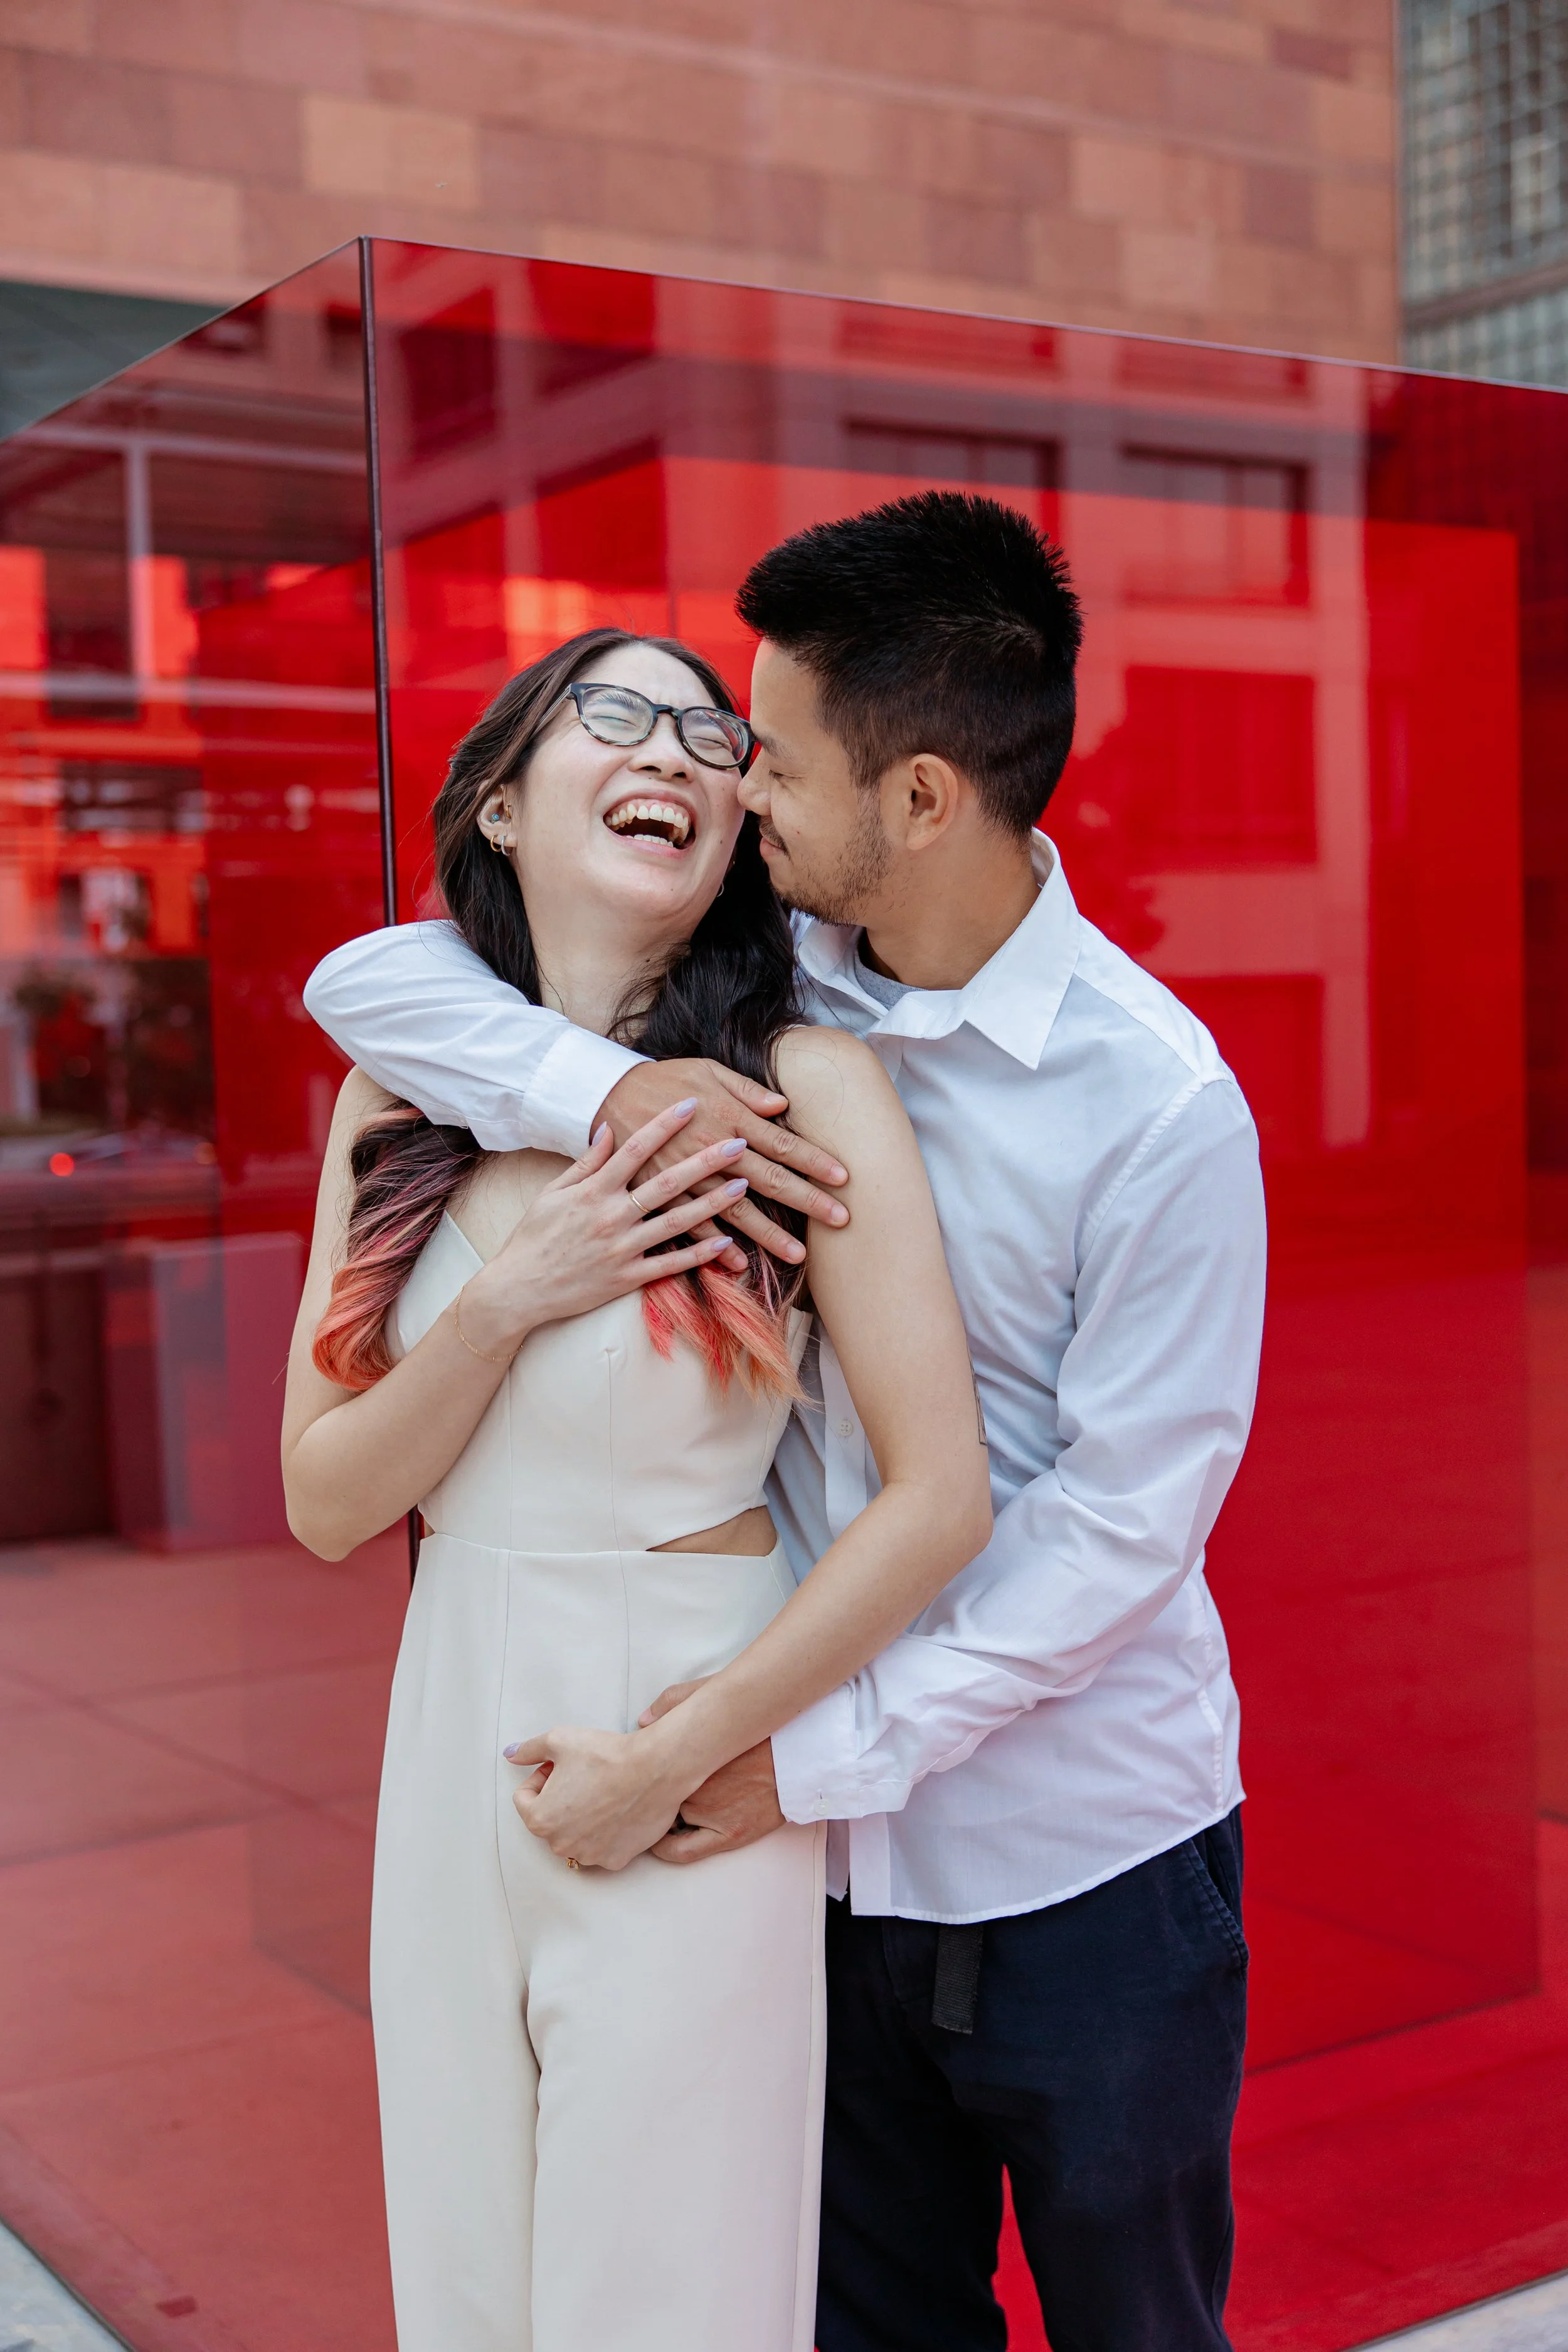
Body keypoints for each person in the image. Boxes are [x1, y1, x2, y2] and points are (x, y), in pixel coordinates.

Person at [305, 490, 1268, 2352]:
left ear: (917, 798)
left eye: (774, 760)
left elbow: (1115, 1534)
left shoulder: (1157, 1109)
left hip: (1068, 1852)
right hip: (801, 1856)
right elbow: (382, 979)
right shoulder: (772, 1003)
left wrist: (790, 1759)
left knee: (1136, 2322)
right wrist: (619, 1099)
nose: (739, 794)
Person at [281, 627, 991, 2352]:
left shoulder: (801, 1093)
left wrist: (688, 1748)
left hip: (681, 1710)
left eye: (706, 732)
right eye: (615, 714)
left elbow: (938, 1495)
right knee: (463, 2276)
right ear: (505, 804)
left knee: (664, 2295)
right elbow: (324, 1497)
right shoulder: (398, 1096)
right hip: (448, 1705)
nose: (670, 748)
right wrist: (516, 1297)